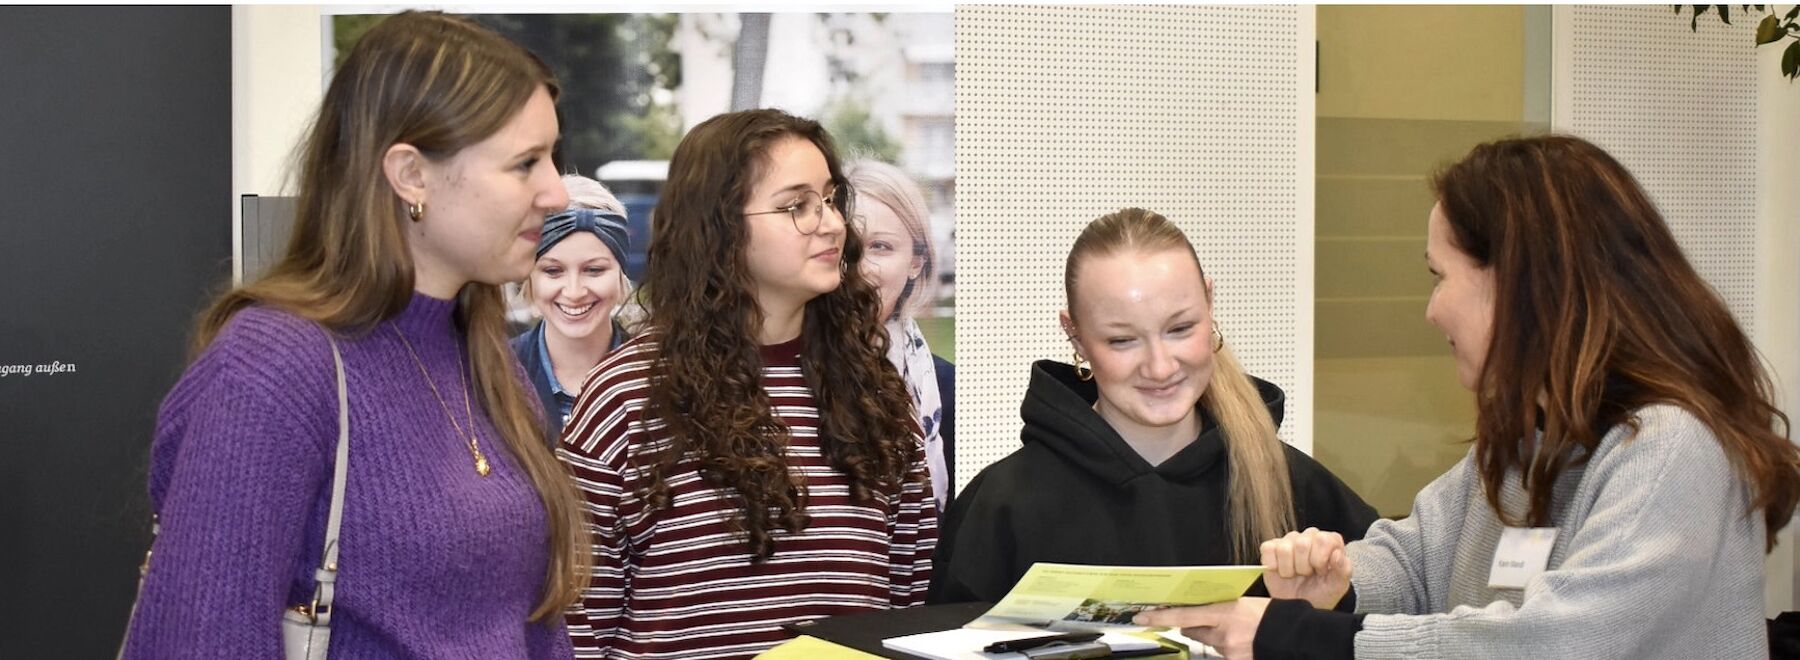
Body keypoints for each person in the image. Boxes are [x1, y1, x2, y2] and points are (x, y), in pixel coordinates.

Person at [1136, 135, 1800, 659]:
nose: (1431, 311)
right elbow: (1418, 561)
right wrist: (1338, 582)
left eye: (1439, 277)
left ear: (1519, 284)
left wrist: (1304, 640)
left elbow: (1560, 643)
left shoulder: (1672, 450)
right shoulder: (1526, 444)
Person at [119, 11, 587, 657]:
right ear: (411, 175)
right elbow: (198, 639)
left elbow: (531, 628)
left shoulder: (483, 360)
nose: (556, 192)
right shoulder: (275, 368)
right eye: (526, 163)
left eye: (552, 159)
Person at [557, 109, 936, 659]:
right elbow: (580, 618)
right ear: (721, 229)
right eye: (796, 207)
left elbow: (908, 594)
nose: (830, 223)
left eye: (830, 200)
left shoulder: (877, 393)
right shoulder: (626, 395)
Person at [929, 208, 1378, 606]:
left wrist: (1327, 609)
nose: (1160, 367)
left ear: (1209, 301)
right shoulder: (1002, 507)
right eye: (1122, 340)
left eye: (1180, 328)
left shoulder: (1297, 490)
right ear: (1075, 334)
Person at [846, 159, 956, 509]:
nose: (860, 269)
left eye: (881, 246)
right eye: (846, 247)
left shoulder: (947, 390)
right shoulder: (783, 375)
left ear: (916, 262)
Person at [512, 175, 635, 439]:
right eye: (553, 271)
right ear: (529, 276)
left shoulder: (658, 377)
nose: (574, 292)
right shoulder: (496, 374)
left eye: (594, 270)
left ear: (620, 274)